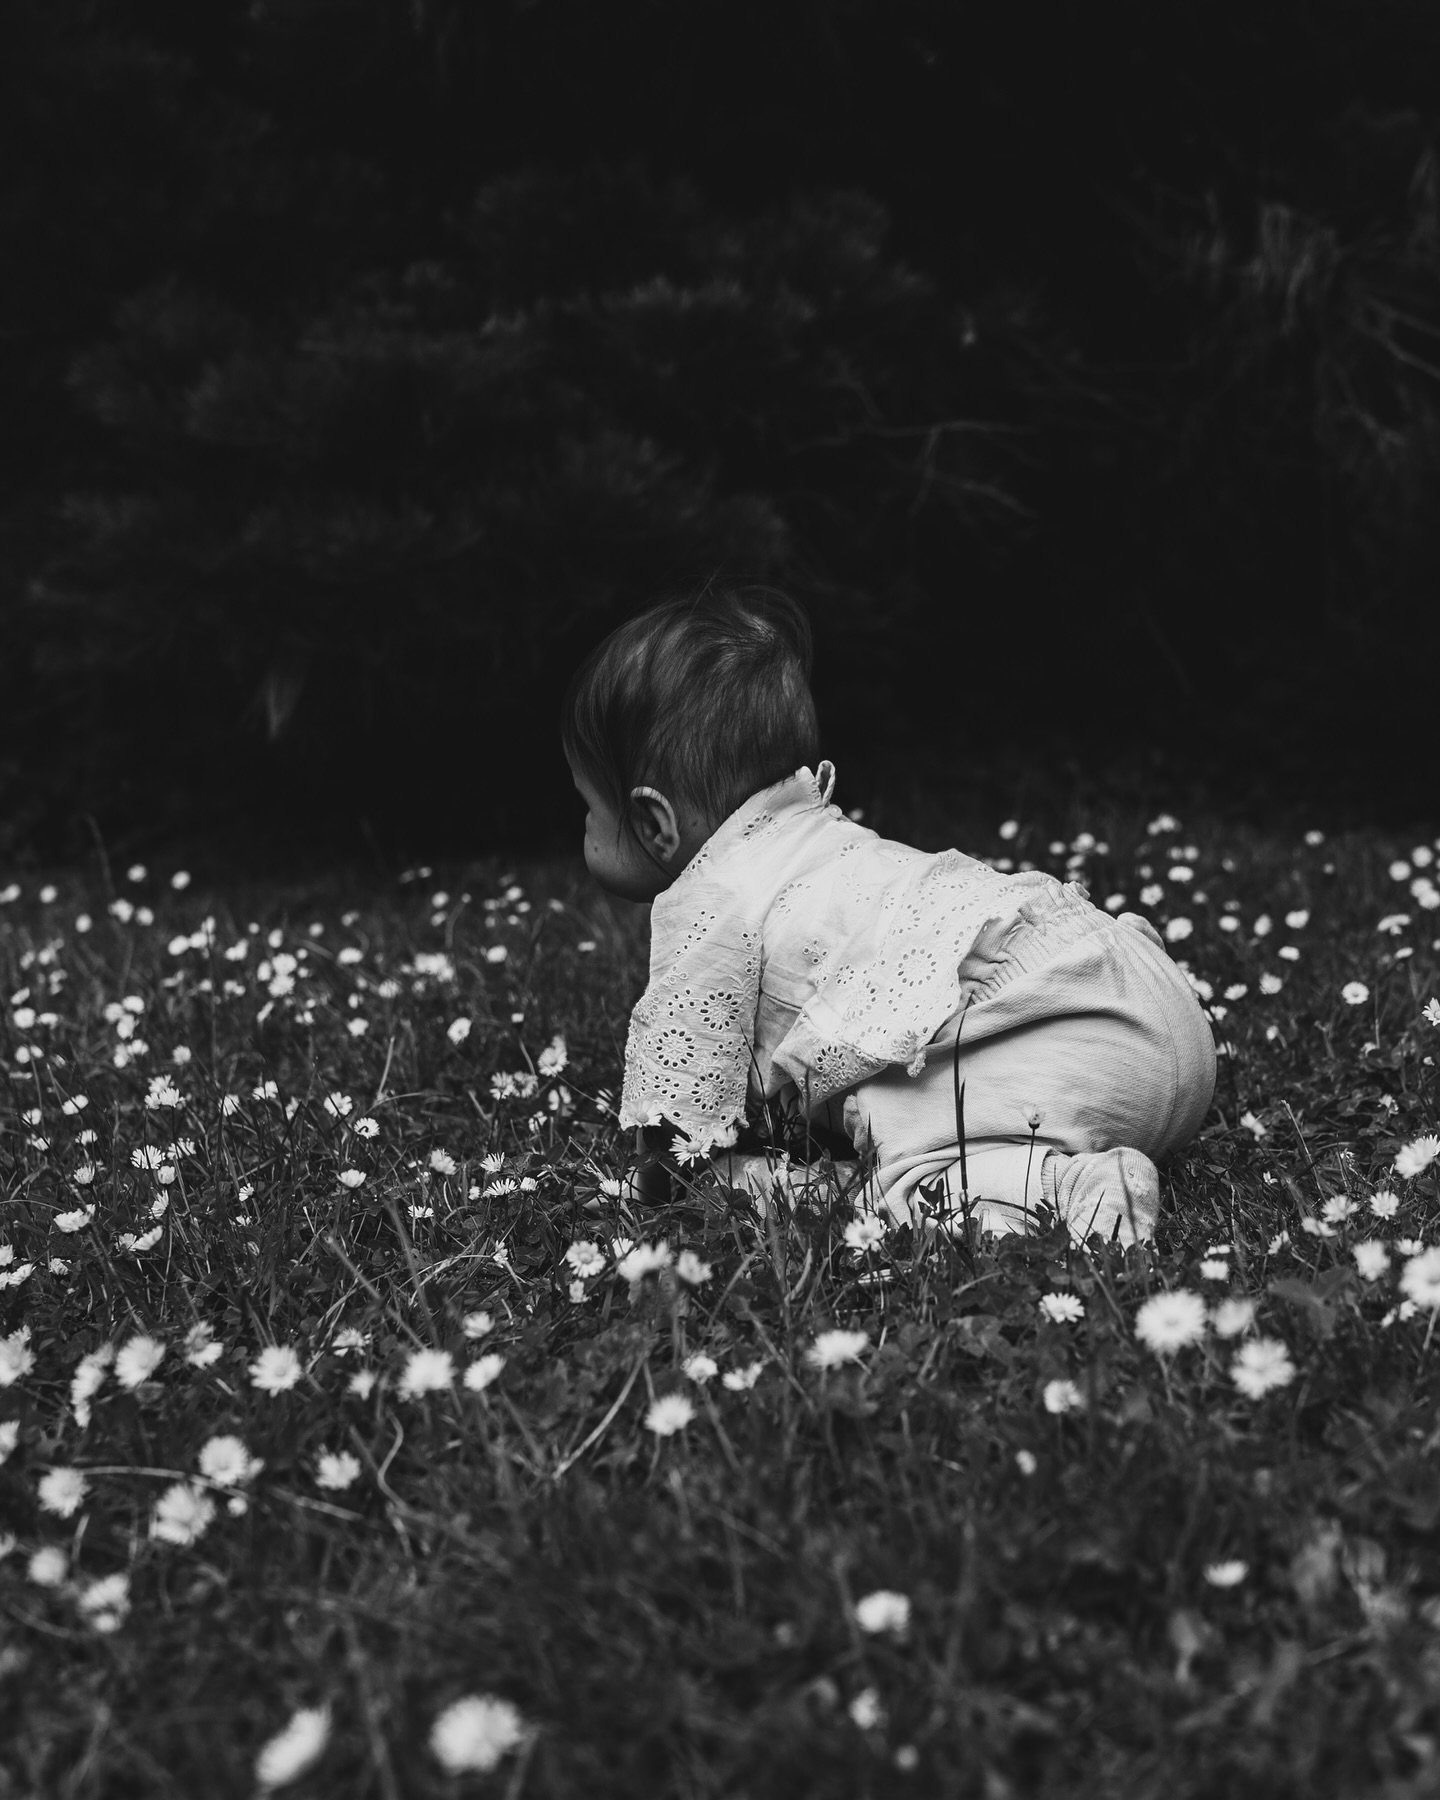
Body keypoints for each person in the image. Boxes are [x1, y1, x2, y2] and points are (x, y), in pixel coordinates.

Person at [560, 579, 1216, 1242]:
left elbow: (681, 1099)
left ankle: (1061, 1188)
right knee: (907, 1107)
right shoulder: (820, 839)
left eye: (590, 805)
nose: (583, 825)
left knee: (900, 1197)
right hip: (1145, 1000)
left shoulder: (710, 895)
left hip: (1042, 1033)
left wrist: (666, 1189)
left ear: (653, 820)